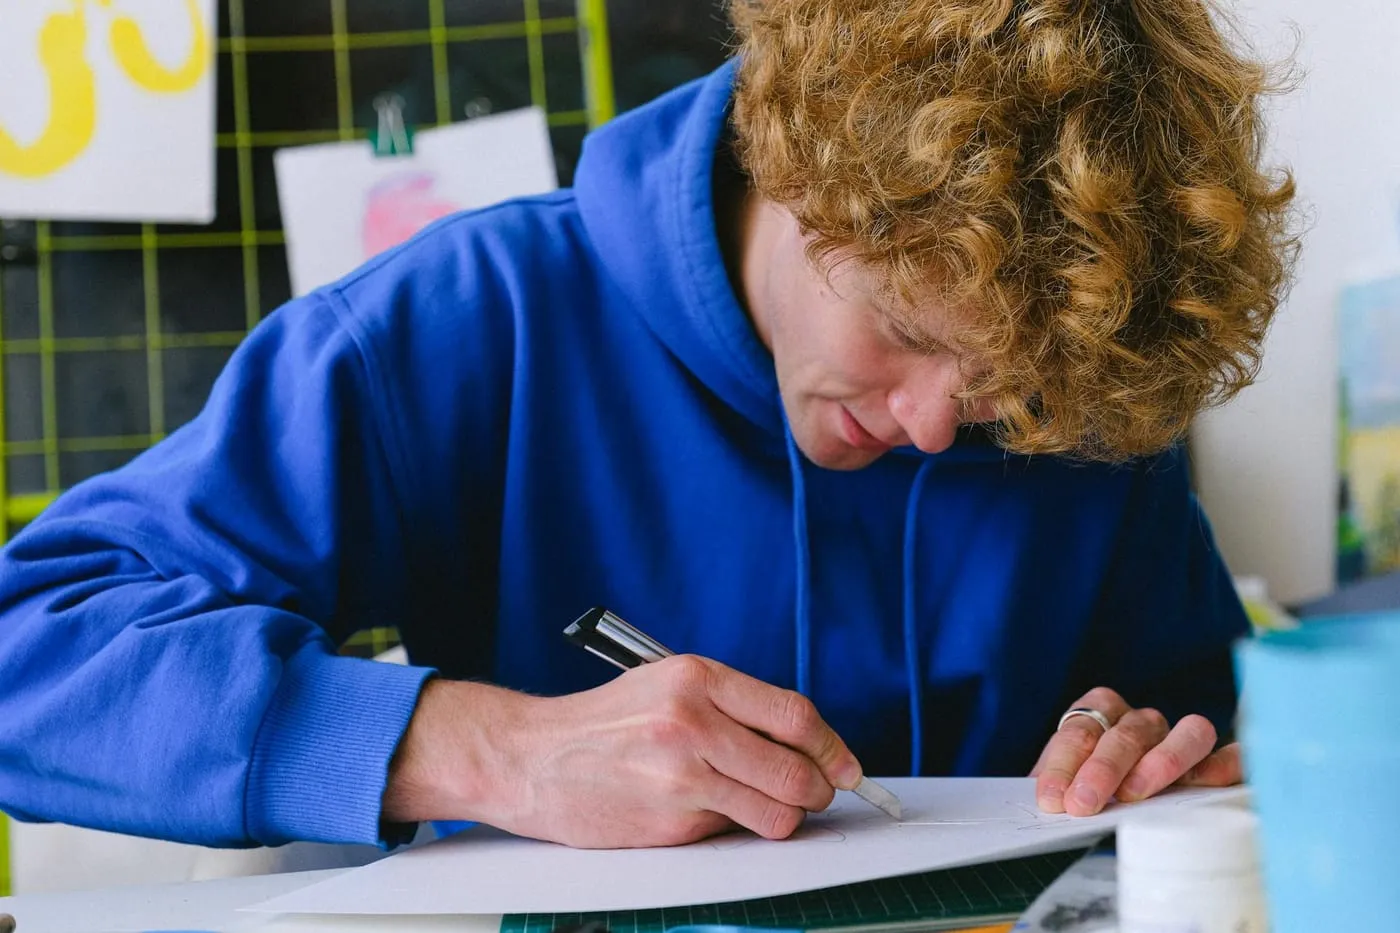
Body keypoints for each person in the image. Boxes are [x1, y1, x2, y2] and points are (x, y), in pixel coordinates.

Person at [0, 0, 1296, 852]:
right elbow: (30, 653)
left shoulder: (1079, 381)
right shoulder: (467, 323)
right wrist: (488, 753)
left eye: (1006, 390)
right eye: (909, 335)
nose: (938, 428)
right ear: (801, 172)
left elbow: (1219, 726)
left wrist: (1164, 755)